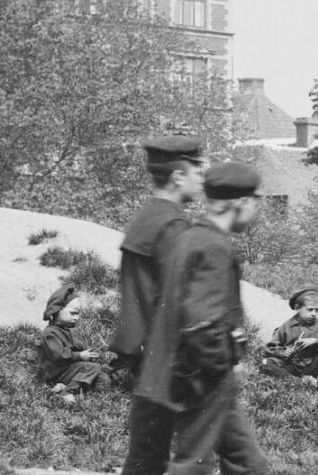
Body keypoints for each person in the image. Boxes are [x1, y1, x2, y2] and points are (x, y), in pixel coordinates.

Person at [137, 161, 270, 475]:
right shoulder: (213, 247)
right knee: (192, 465)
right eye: (256, 202)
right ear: (240, 202)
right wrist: (222, 366)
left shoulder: (188, 237)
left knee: (248, 464)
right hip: (203, 375)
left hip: (191, 370)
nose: (256, 211)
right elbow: (201, 323)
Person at [113, 135, 205, 475]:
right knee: (189, 459)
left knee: (145, 459)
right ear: (178, 176)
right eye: (197, 169)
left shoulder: (145, 218)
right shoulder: (173, 226)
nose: (201, 177)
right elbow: (181, 300)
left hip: (144, 356)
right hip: (169, 359)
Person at [38, 285, 112, 405]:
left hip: (70, 369)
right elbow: (59, 356)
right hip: (56, 371)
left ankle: (68, 387)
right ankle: (68, 391)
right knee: (92, 368)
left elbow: (79, 348)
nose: (77, 318)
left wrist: (89, 353)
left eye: (78, 314)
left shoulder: (71, 330)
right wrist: (80, 356)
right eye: (73, 313)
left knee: (103, 378)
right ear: (56, 311)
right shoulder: (50, 333)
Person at [259, 288, 318, 389]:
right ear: (297, 308)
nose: (314, 314)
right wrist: (282, 352)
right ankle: (297, 381)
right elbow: (268, 348)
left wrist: (316, 340)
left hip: (312, 366)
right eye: (310, 310)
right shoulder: (287, 326)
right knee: (266, 363)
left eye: (317, 310)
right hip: (291, 366)